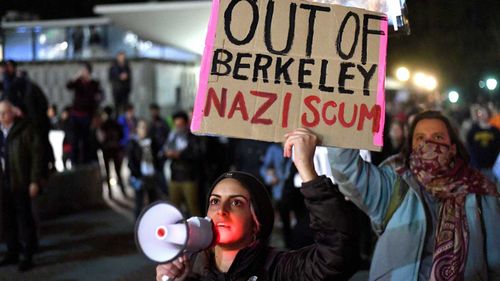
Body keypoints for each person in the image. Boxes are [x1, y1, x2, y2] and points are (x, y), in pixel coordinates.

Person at [156, 129, 360, 281]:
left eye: (236, 202)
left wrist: (306, 170)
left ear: (256, 221)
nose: (221, 211)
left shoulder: (280, 269)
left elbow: (337, 255)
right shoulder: (190, 269)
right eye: (215, 201)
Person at [327, 110, 500, 280]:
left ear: (453, 147)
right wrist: (348, 109)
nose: (429, 144)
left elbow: (495, 260)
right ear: (411, 146)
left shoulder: (480, 191)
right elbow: (345, 167)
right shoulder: (393, 184)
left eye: (438, 137)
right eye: (420, 138)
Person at [0, 99, 43, 272]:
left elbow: (36, 156)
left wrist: (34, 180)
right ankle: (12, 251)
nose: (1, 117)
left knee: (24, 218)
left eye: (4, 113)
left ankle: (28, 253)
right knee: (7, 219)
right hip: (3, 183)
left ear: (13, 112)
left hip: (20, 181)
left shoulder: (25, 130)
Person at [163, 111, 201, 217]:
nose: (178, 127)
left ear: (185, 124)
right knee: (174, 208)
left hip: (189, 178)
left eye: (180, 124)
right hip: (174, 177)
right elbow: (164, 151)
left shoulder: (192, 137)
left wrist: (180, 155)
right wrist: (167, 153)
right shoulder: (172, 136)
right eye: (176, 125)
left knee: (193, 207)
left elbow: (197, 155)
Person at [66, 62, 103, 165]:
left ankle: (86, 161)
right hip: (75, 114)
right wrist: (76, 78)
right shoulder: (77, 82)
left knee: (86, 139)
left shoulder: (94, 84)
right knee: (74, 140)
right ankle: (74, 161)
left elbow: (99, 97)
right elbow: (68, 86)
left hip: (87, 115)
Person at [127, 120, 160, 218]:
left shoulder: (151, 141)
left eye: (145, 127)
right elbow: (131, 162)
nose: (144, 130)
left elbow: (156, 157)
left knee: (153, 201)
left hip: (151, 175)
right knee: (139, 202)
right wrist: (136, 174)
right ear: (137, 129)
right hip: (140, 176)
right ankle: (138, 225)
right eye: (141, 127)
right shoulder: (133, 143)